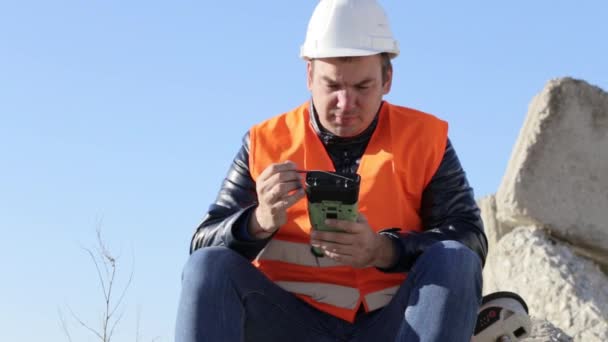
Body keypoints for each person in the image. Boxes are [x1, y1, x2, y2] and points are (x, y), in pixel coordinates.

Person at [175, 0, 488, 341]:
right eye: (333, 86)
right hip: (289, 325)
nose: (345, 103)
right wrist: (259, 221)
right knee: (208, 267)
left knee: (457, 259)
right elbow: (202, 245)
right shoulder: (264, 142)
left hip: (393, 327)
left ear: (387, 80)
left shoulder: (425, 139)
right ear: (310, 76)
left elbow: (469, 238)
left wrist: (383, 250)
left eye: (362, 87)